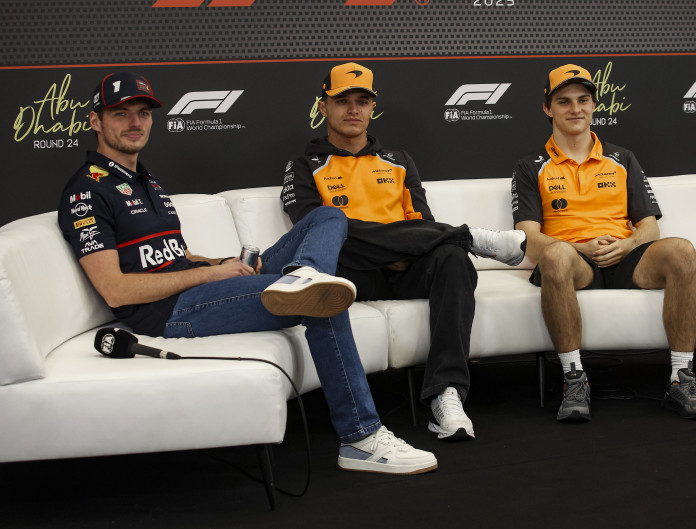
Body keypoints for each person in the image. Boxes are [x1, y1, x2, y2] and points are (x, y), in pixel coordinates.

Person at [58, 72, 437, 475]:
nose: (135, 122)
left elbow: (176, 256)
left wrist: (220, 264)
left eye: (143, 113)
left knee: (328, 217)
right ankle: (361, 437)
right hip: (169, 311)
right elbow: (116, 290)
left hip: (197, 285)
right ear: (95, 121)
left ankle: (305, 275)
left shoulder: (144, 180)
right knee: (323, 299)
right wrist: (209, 276)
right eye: (121, 114)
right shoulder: (87, 191)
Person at [281, 62, 526, 442]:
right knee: (332, 224)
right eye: (342, 100)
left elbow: (422, 224)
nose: (353, 109)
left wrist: (405, 249)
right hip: (350, 273)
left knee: (452, 259)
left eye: (362, 101)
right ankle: (470, 236)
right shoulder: (303, 166)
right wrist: (391, 248)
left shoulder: (398, 161)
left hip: (405, 269)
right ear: (323, 106)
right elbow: (314, 231)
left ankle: (446, 394)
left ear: (372, 106)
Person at [511, 64, 696, 422]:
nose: (575, 109)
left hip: (625, 256)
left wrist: (626, 245)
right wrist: (582, 248)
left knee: (682, 250)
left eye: (583, 100)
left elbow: (649, 227)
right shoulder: (531, 166)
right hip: (574, 262)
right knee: (555, 255)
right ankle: (574, 380)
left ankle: (681, 379)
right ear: (548, 108)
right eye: (564, 101)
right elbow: (528, 239)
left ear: (594, 105)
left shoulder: (622, 158)